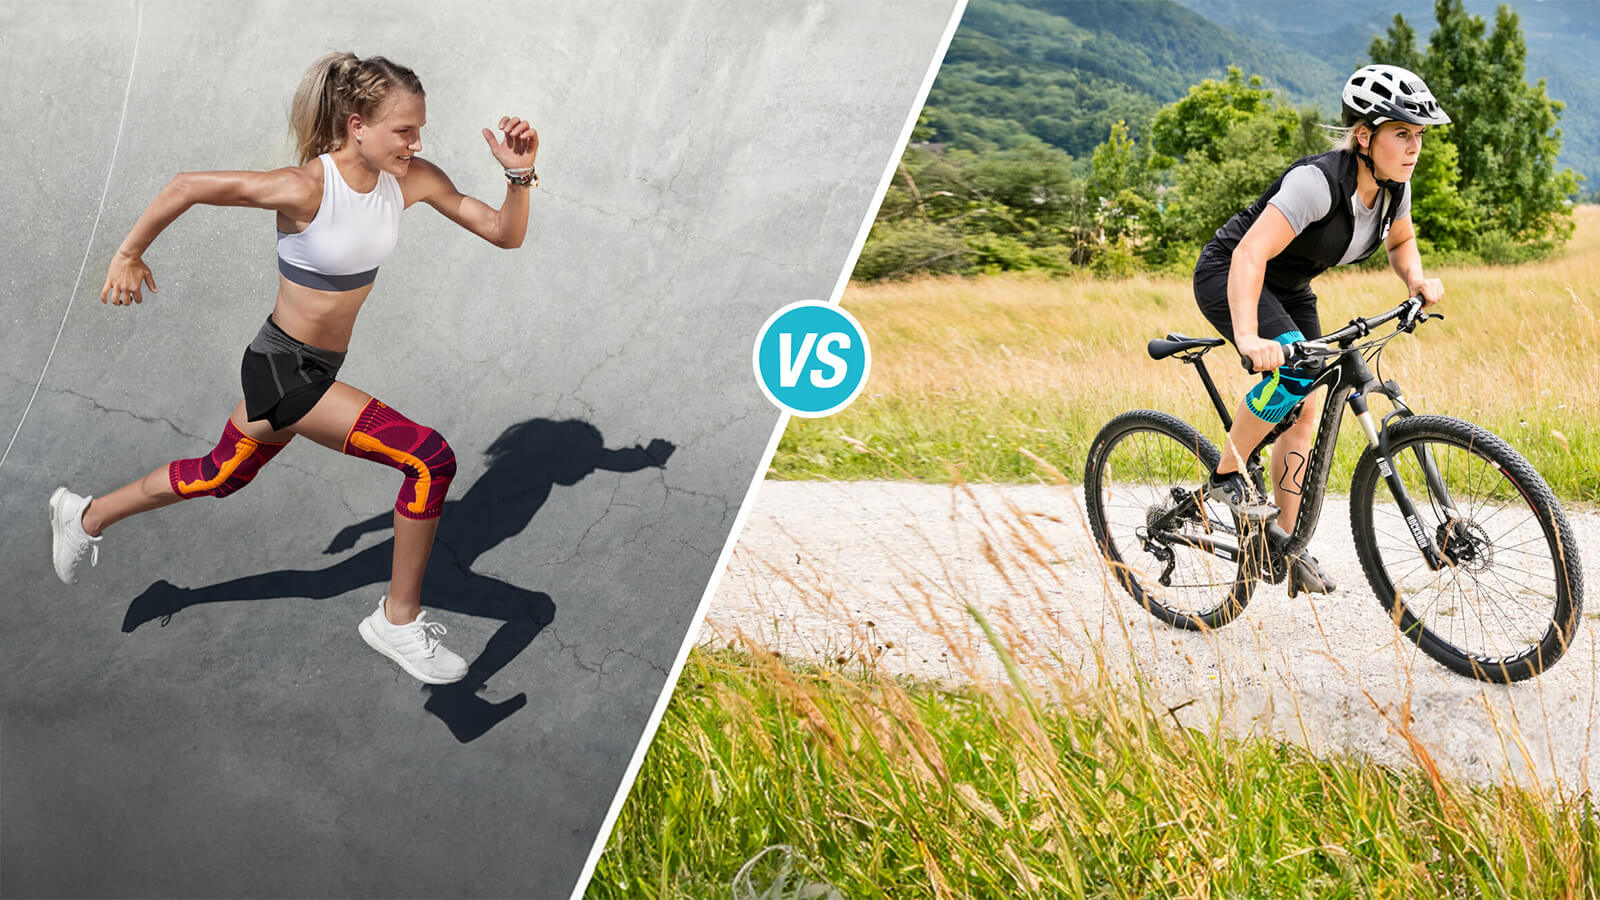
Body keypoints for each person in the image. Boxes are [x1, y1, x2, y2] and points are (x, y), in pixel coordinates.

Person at [47, 52, 540, 684]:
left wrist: (520, 176)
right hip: (283, 367)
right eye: (403, 130)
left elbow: (504, 233)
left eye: (419, 129)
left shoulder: (410, 179)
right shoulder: (306, 186)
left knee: (216, 475)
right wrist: (128, 253)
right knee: (429, 459)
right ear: (357, 124)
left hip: (315, 368)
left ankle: (83, 515)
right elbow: (187, 186)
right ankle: (396, 619)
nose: (416, 143)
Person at [1191, 64, 1449, 596]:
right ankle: (1224, 479)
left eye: (1418, 135)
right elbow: (1248, 255)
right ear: (1364, 135)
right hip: (1230, 274)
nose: (1413, 146)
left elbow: (1400, 243)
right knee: (1292, 376)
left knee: (1305, 408)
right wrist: (1247, 337)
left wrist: (1416, 281)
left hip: (1290, 287)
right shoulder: (1315, 184)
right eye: (1402, 133)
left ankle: (1282, 543)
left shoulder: (1394, 188)